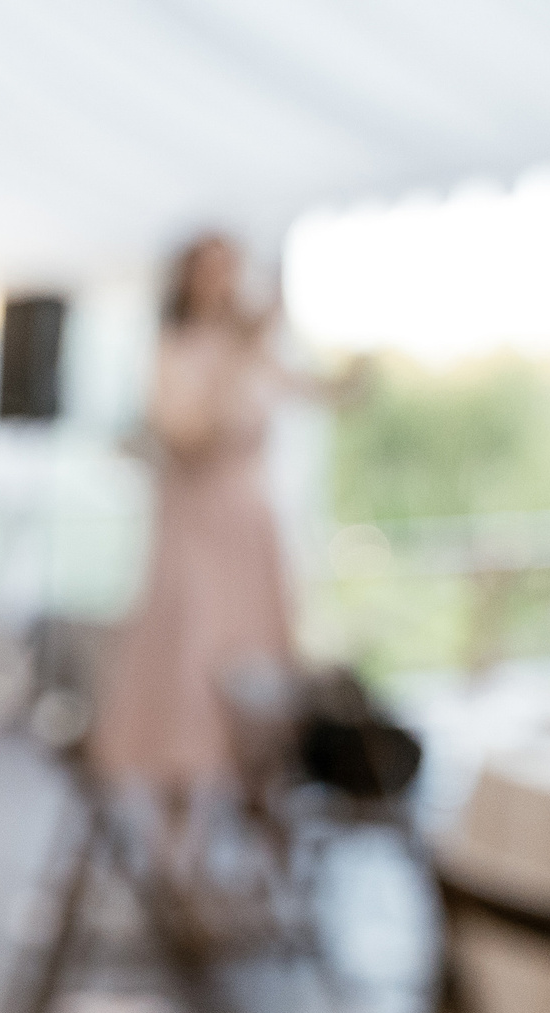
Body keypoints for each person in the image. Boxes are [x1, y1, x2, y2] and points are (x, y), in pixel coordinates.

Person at [98, 232, 342, 887]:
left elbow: (319, 393)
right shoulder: (176, 353)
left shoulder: (258, 353)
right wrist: (234, 361)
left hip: (250, 533)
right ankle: (174, 843)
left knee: (258, 674)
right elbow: (186, 433)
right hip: (196, 533)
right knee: (188, 673)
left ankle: (258, 839)